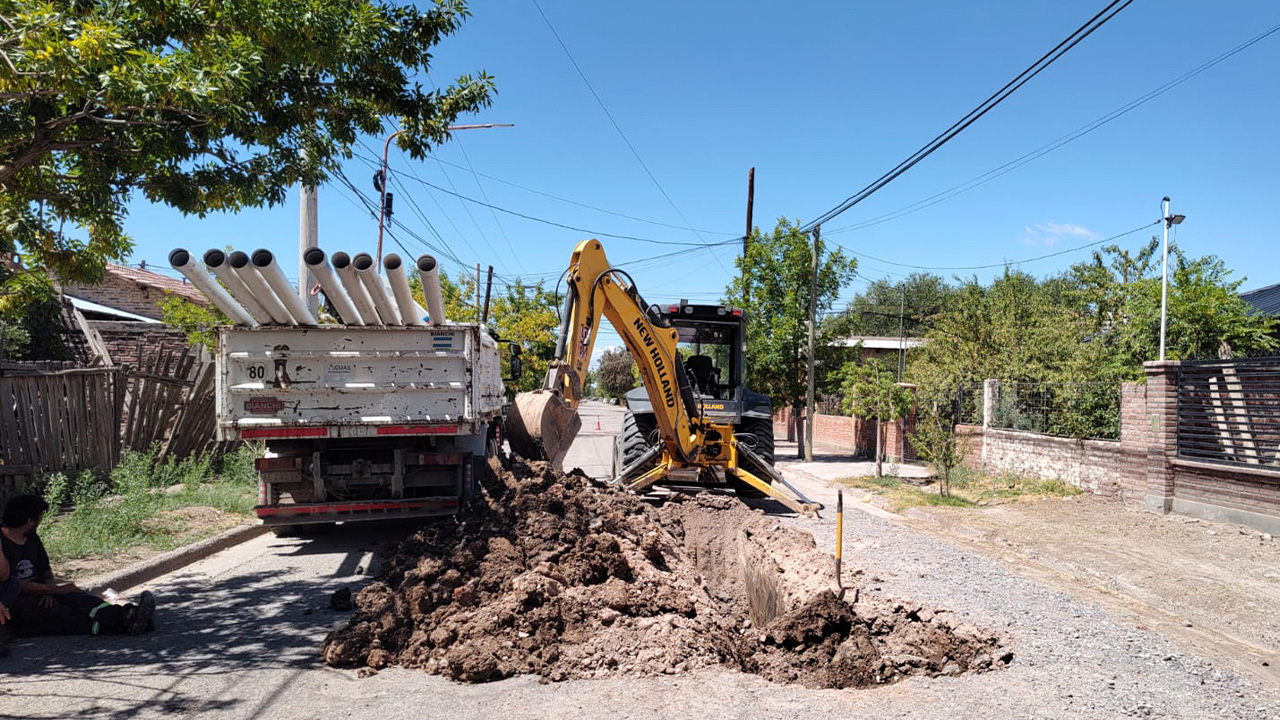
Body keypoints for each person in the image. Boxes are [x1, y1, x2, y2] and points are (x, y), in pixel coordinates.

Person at [1, 494, 155, 638]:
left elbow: (45, 569)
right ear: (30, 521)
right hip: (17, 600)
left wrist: (49, 587)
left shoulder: (32, 538)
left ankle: (128, 616)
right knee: (62, 615)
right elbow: (11, 584)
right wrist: (52, 590)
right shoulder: (3, 542)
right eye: (40, 517)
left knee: (77, 597)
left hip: (43, 591)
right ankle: (130, 621)